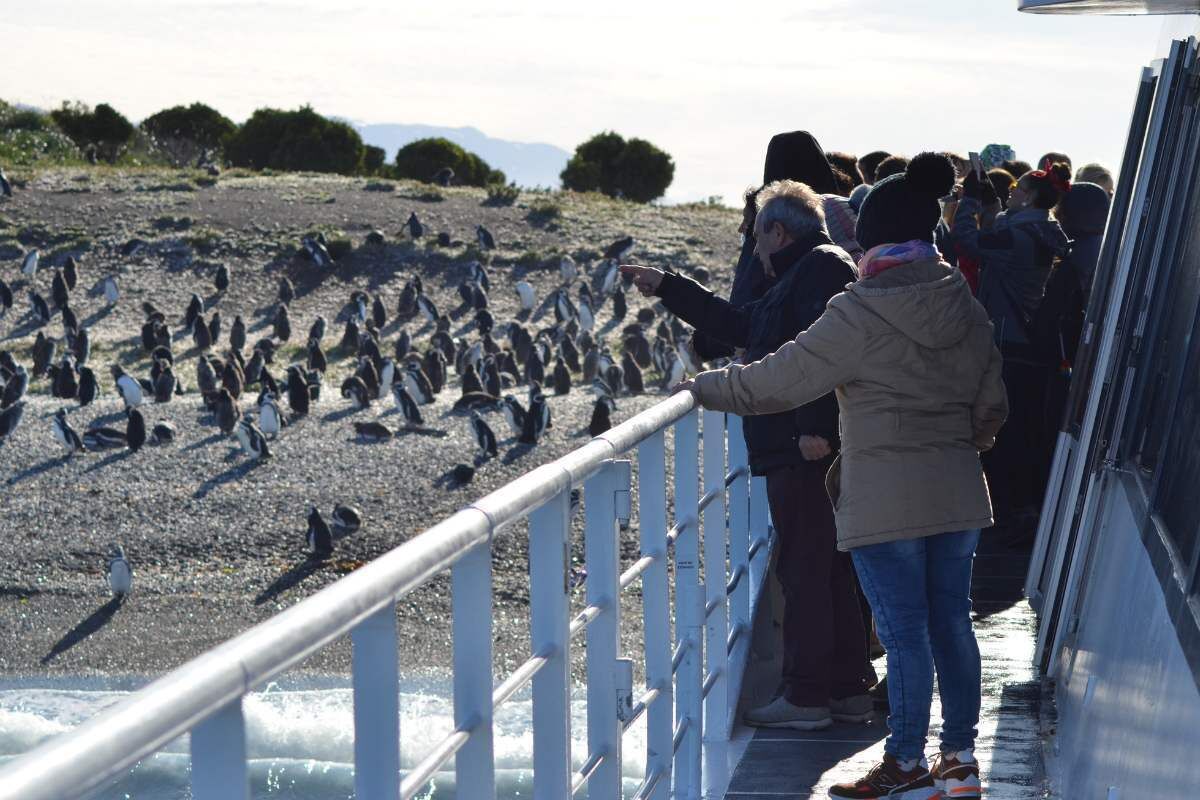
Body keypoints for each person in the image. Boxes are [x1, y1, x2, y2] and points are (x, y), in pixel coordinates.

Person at [673, 152, 1007, 799]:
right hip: (960, 488)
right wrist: (963, 445)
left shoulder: (861, 309)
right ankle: (960, 761)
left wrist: (705, 388)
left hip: (884, 497)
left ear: (872, 237)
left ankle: (906, 763)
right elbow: (992, 401)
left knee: (905, 634)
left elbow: (780, 379)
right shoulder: (961, 302)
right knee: (952, 625)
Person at [621, 180, 876, 731]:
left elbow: (819, 355)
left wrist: (814, 429)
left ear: (778, 232)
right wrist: (669, 287)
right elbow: (747, 325)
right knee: (826, 566)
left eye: (756, 236)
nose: (754, 248)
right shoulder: (805, 270)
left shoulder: (819, 270)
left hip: (801, 446)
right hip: (793, 441)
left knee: (807, 568)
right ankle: (848, 690)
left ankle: (809, 696)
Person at [953, 163, 1070, 534]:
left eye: (1017, 188)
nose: (1011, 192)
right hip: (1029, 344)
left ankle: (1010, 512)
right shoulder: (1045, 232)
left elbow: (966, 240)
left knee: (1004, 430)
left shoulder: (1016, 237)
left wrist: (970, 200)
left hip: (1008, 343)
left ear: (1030, 197)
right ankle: (1022, 507)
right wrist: (992, 206)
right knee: (1023, 429)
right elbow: (994, 237)